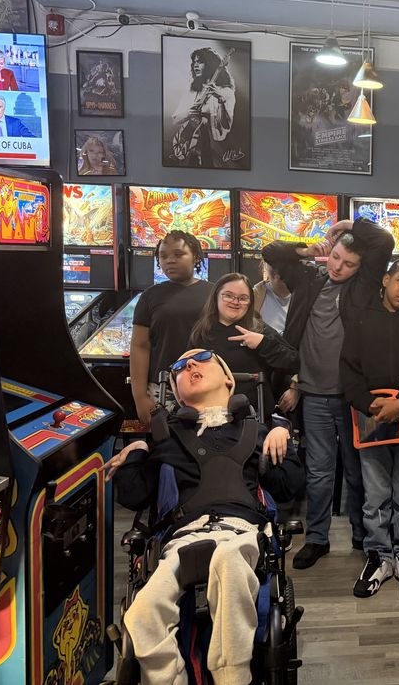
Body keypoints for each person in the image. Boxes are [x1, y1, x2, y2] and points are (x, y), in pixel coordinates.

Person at [113, 349, 302, 685]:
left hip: (241, 534)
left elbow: (290, 485)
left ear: (228, 378)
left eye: (201, 358)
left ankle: (233, 676)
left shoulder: (256, 432)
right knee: (141, 612)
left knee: (228, 558)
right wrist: (137, 451)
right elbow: (133, 495)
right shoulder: (163, 439)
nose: (189, 365)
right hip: (182, 539)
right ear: (176, 391)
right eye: (178, 367)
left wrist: (283, 439)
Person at [262, 218, 394, 570]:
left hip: (353, 398)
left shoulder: (363, 286)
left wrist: (352, 223)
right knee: (319, 472)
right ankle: (317, 538)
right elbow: (270, 251)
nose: (339, 267)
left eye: (349, 263)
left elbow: (383, 243)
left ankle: (361, 536)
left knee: (357, 472)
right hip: (314, 395)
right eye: (336, 258)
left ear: (360, 267)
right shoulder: (307, 279)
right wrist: (305, 249)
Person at [340, 259, 399, 599]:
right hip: (370, 417)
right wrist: (368, 404)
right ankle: (378, 554)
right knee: (376, 492)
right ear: (385, 279)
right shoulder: (361, 320)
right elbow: (348, 371)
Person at [130, 231, 215, 425]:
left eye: (178, 254)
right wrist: (140, 396)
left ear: (195, 256)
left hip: (208, 385)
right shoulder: (149, 296)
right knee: (165, 450)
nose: (169, 261)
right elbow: (140, 346)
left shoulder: (215, 293)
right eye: (163, 256)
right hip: (162, 389)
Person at [189, 273, 299, 416]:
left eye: (243, 298)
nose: (235, 302)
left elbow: (294, 362)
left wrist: (263, 343)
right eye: (228, 295)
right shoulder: (202, 331)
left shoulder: (259, 329)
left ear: (250, 302)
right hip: (209, 414)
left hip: (254, 416)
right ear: (216, 296)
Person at [171, 47, 235, 168]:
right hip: (187, 145)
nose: (195, 65)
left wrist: (221, 100)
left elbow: (226, 127)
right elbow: (175, 120)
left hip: (212, 150)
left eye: (200, 62)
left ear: (210, 64)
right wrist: (189, 113)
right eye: (194, 62)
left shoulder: (226, 92)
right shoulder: (192, 89)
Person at [252, 261, 292, 335]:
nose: (279, 268)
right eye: (273, 261)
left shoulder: (310, 299)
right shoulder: (251, 298)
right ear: (265, 266)